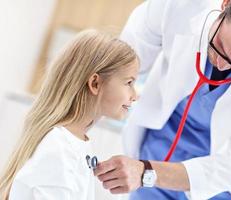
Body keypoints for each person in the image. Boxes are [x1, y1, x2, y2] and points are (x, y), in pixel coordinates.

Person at [94, 0, 231, 199]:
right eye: (220, 44)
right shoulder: (183, 5)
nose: (220, 64)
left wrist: (146, 172)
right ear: (226, 3)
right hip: (157, 150)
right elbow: (119, 66)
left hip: (224, 184)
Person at [0, 30, 139, 200]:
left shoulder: (74, 142)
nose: (135, 95)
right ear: (95, 83)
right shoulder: (59, 149)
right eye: (129, 83)